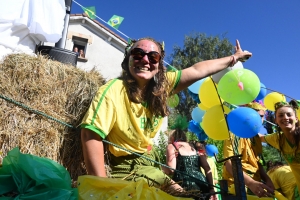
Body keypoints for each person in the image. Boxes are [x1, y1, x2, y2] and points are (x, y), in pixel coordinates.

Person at [80, 37, 251, 191]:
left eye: (153, 56)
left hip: (149, 163)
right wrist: (103, 187)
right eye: (138, 54)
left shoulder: (161, 87)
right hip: (126, 167)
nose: (145, 60)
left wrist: (233, 58)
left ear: (159, 64)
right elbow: (90, 134)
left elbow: (198, 70)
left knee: (185, 195)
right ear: (128, 59)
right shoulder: (113, 91)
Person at [222, 101, 275, 198]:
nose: (259, 119)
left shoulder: (255, 137)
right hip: (236, 188)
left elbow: (258, 163)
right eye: (256, 115)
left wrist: (268, 180)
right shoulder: (235, 133)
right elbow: (229, 163)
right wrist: (250, 183)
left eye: (262, 116)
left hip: (255, 186)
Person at [163, 117, 217, 199]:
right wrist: (211, 188)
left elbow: (171, 169)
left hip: (183, 186)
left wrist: (161, 168)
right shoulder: (194, 146)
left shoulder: (172, 146)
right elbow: (207, 167)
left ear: (172, 138)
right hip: (202, 184)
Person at [260, 100, 300, 194]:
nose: (285, 118)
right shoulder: (278, 139)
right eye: (281, 115)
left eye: (289, 114)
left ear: (296, 119)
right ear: (276, 121)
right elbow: (260, 137)